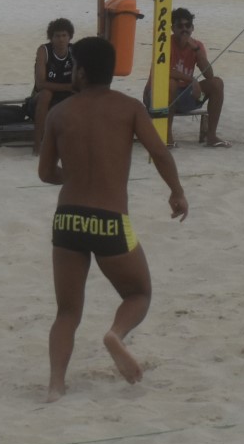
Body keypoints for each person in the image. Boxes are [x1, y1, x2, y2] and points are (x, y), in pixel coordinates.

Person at [39, 37, 187, 401]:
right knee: (138, 293)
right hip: (109, 220)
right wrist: (177, 192)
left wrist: (73, 177)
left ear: (83, 72)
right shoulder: (130, 108)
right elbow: (160, 153)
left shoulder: (59, 113)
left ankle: (56, 385)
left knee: (67, 311)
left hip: (68, 219)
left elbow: (45, 173)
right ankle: (115, 334)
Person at [141, 7, 229, 147]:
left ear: (192, 27)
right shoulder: (164, 44)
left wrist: (196, 50)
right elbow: (163, 71)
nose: (184, 29)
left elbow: (209, 74)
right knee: (171, 83)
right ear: (173, 28)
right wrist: (191, 80)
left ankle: (211, 136)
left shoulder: (197, 45)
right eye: (180, 26)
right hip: (157, 97)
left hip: (186, 97)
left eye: (188, 25)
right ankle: (167, 137)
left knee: (217, 83)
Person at [30, 17, 77, 154]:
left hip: (65, 99)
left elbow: (79, 81)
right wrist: (68, 87)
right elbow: (40, 84)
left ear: (70, 37)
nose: (61, 39)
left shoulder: (74, 51)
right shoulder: (44, 51)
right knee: (46, 94)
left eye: (64, 35)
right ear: (51, 37)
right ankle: (38, 145)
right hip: (41, 100)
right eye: (57, 36)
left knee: (84, 95)